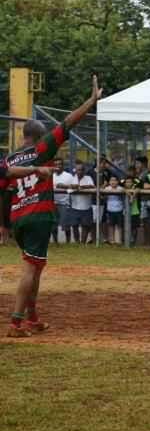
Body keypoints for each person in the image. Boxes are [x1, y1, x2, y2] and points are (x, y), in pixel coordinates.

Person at [5, 76, 100, 338]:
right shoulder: (42, 148)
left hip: (18, 216)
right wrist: (91, 101)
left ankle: (33, 318)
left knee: (33, 266)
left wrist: (4, 224)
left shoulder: (10, 158)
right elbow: (68, 122)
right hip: (38, 214)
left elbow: (4, 191)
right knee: (30, 269)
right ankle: (15, 323)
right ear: (39, 135)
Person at [68, 161, 95, 244]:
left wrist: (81, 187)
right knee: (74, 225)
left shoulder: (88, 178)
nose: (80, 171)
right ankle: (77, 242)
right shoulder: (71, 178)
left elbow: (92, 186)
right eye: (78, 169)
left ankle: (83, 243)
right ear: (75, 170)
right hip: (75, 206)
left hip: (86, 206)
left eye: (82, 169)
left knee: (85, 225)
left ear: (84, 170)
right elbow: (68, 189)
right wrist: (75, 187)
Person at [52, 158, 75, 244]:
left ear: (63, 165)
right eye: (56, 164)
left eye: (60, 164)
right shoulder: (51, 176)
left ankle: (68, 242)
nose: (58, 166)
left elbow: (73, 188)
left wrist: (65, 187)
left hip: (64, 204)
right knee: (53, 225)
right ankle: (55, 242)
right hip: (53, 203)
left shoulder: (68, 176)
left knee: (66, 225)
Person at [104, 176, 124, 244]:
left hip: (119, 210)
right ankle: (111, 240)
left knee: (120, 226)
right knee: (110, 225)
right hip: (110, 210)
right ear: (109, 182)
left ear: (117, 182)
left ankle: (119, 240)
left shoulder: (121, 189)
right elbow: (104, 197)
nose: (113, 182)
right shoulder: (107, 188)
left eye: (115, 180)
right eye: (111, 180)